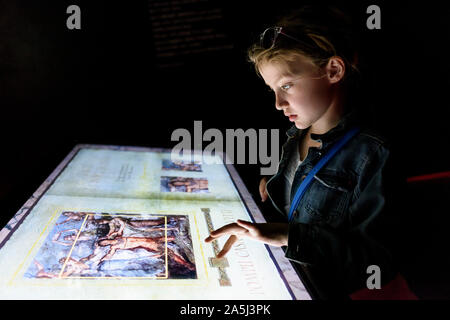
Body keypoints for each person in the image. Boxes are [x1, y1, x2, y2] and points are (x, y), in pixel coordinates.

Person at [205, 5, 416, 299]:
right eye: (272, 90)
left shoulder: (374, 153)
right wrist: (279, 186)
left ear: (333, 70)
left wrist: (287, 235)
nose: (278, 103)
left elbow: (376, 260)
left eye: (287, 85)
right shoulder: (297, 135)